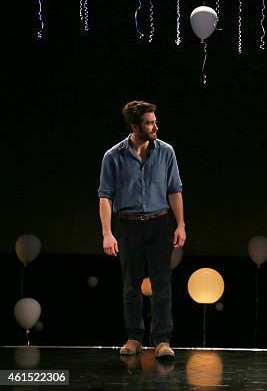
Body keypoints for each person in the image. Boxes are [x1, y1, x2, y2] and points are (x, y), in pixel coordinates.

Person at [98, 100, 186, 358]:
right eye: (149, 122)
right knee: (131, 285)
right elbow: (105, 196)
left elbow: (175, 190)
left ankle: (162, 341)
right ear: (135, 126)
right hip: (129, 225)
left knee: (162, 284)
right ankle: (134, 337)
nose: (155, 126)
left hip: (160, 224)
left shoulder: (166, 152)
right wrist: (106, 232)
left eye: (154, 121)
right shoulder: (113, 156)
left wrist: (180, 224)